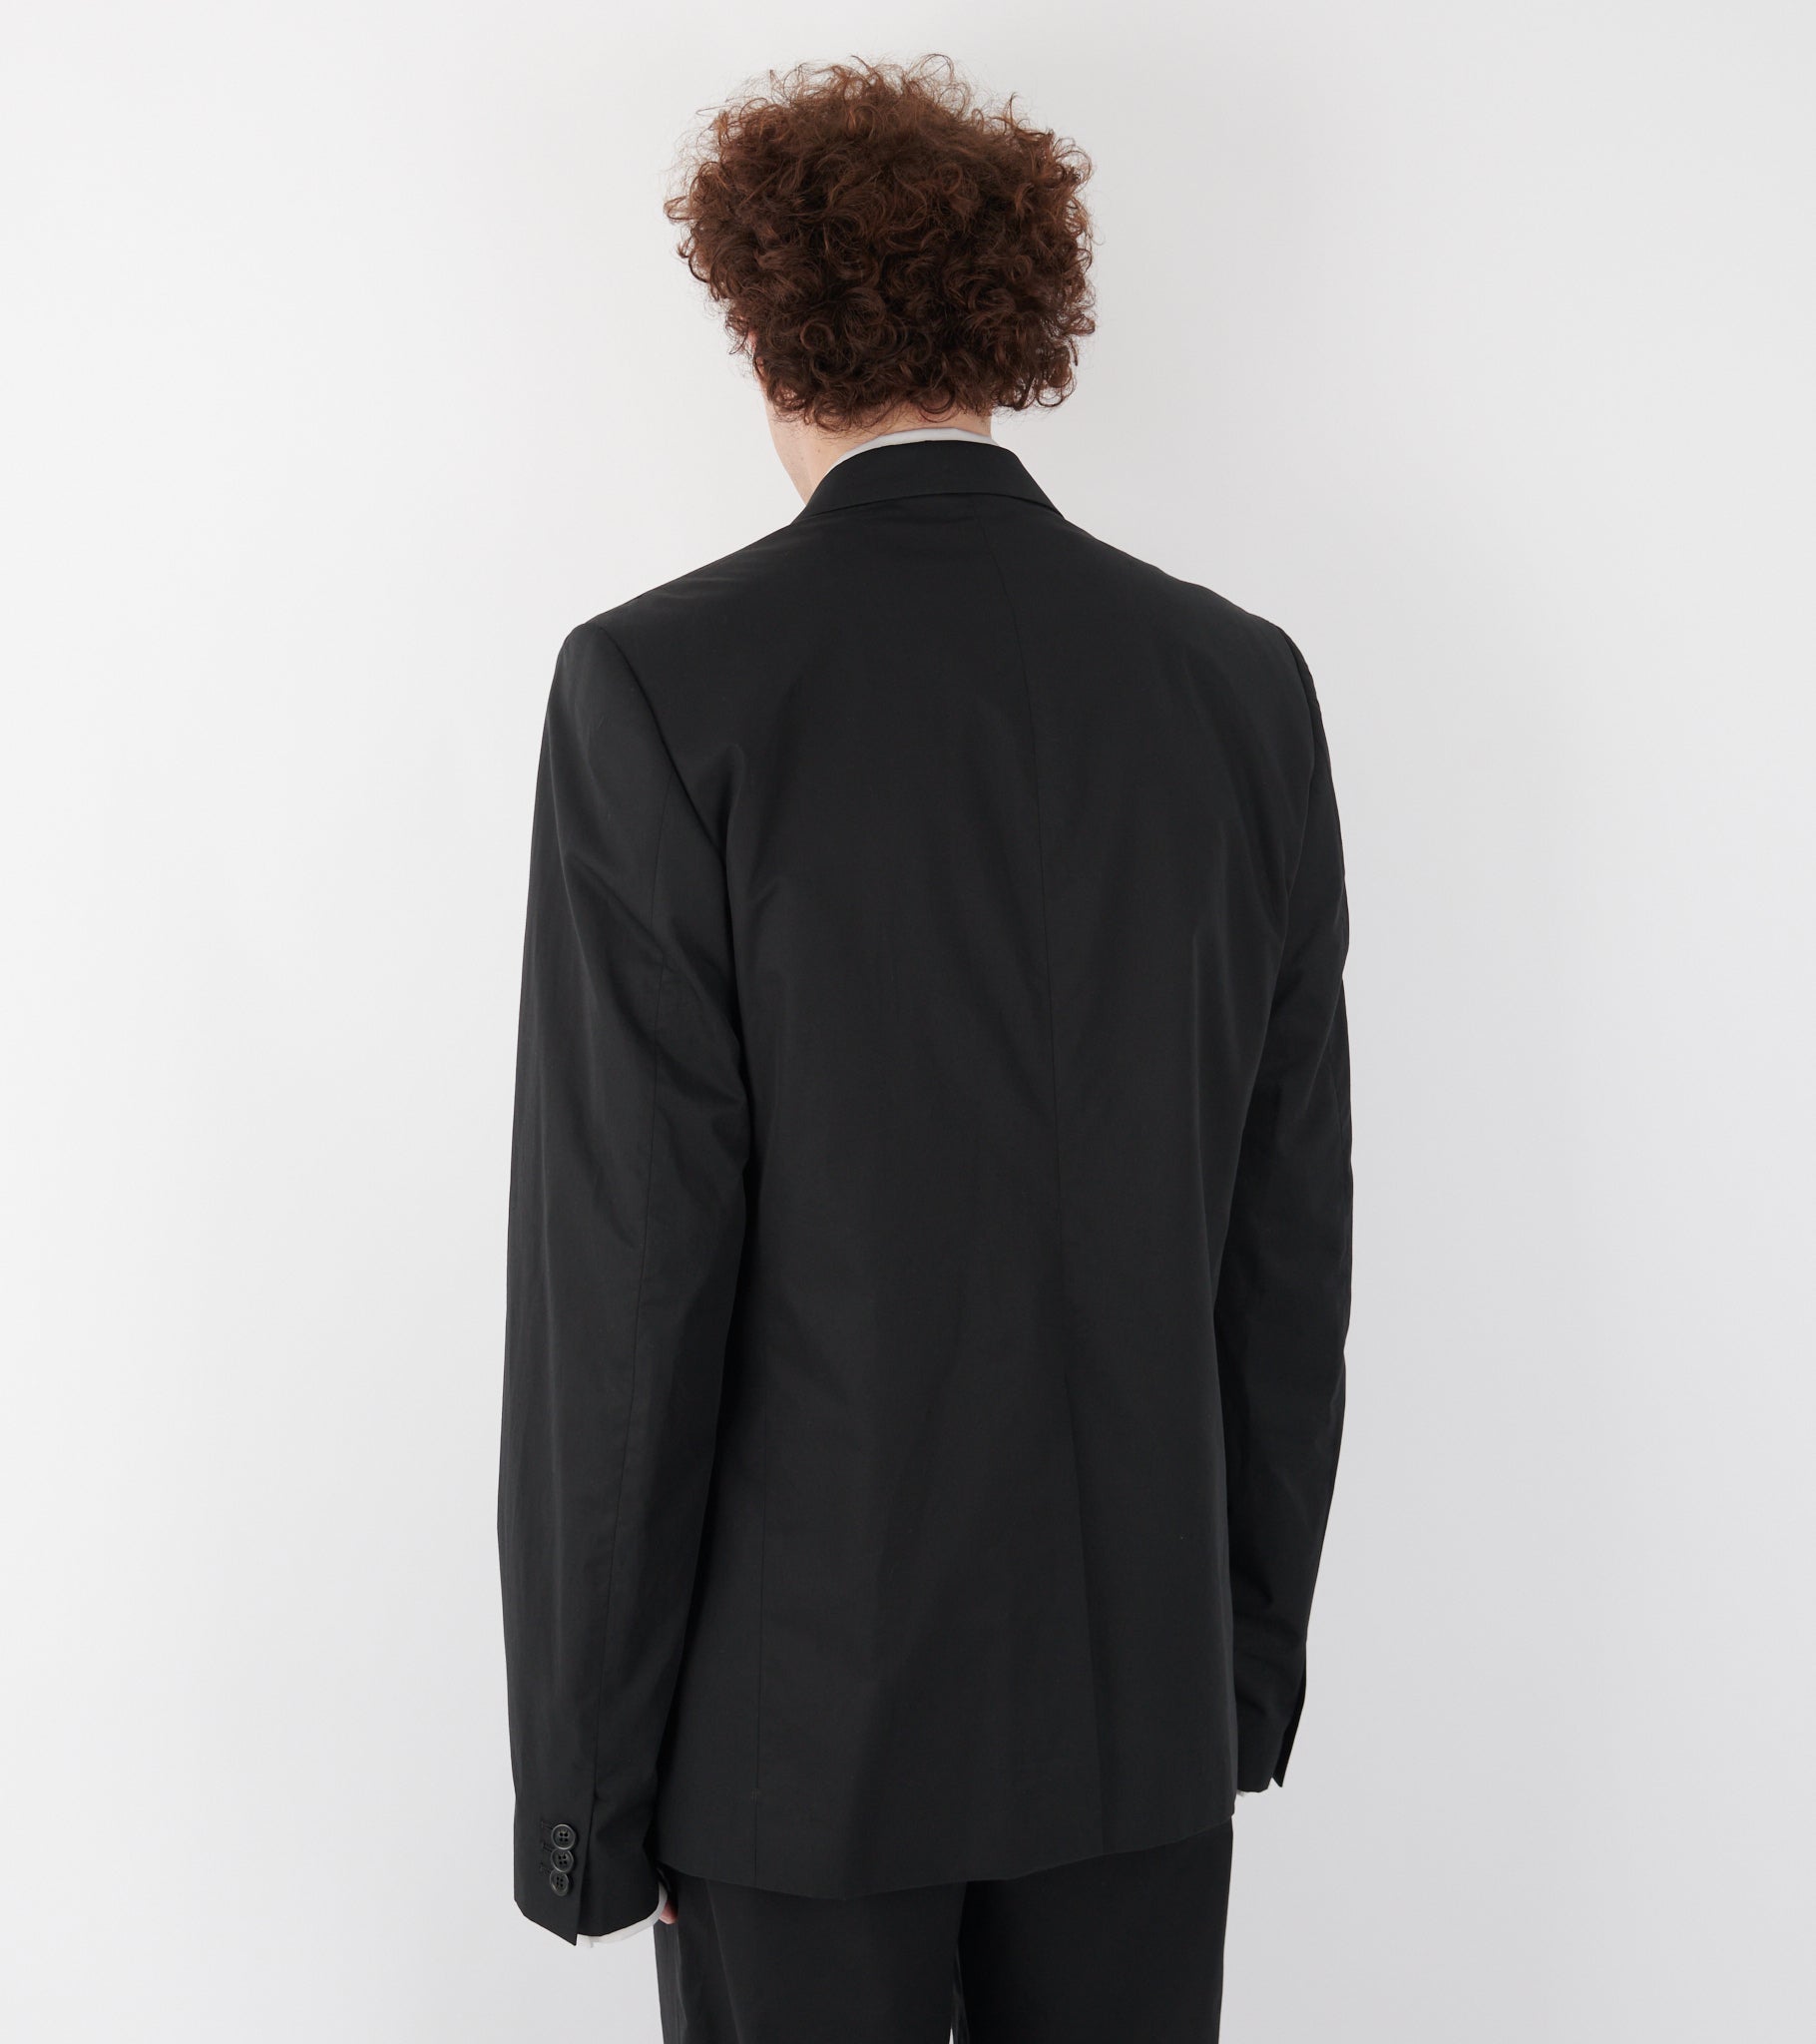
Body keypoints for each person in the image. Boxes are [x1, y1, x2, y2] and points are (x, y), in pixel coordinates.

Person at [498, 54, 1351, 2044]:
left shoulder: (662, 689)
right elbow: (1282, 1238)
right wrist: (1233, 1668)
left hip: (794, 1755)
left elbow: (626, 1296)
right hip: (1139, 1719)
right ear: (1013, 327)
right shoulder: (1238, 687)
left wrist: (591, 1797)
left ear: (761, 326)